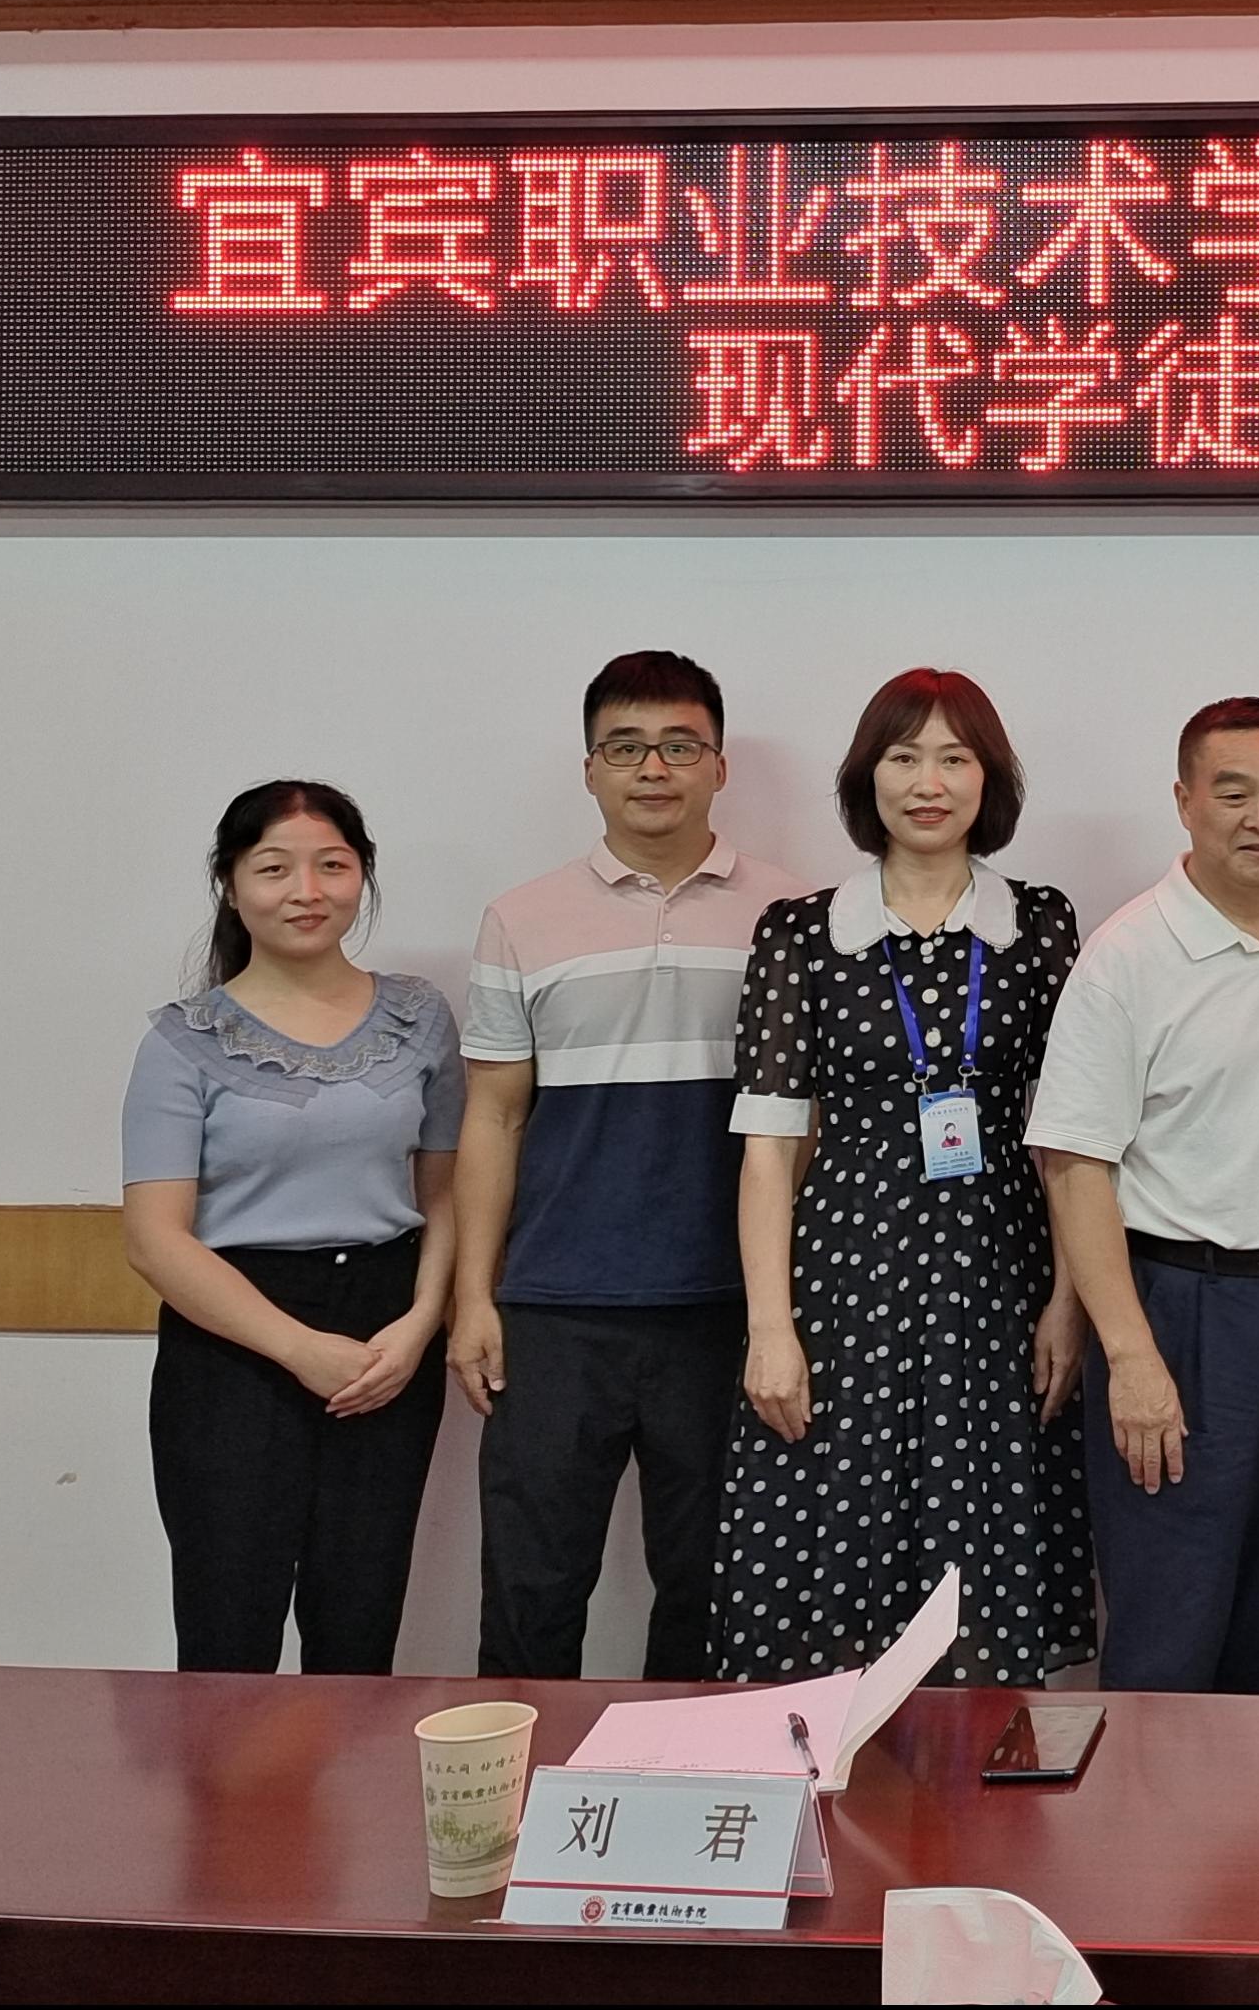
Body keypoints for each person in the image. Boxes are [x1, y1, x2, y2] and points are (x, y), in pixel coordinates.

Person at [719, 669, 1091, 1685]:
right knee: (838, 1541)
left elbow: (1070, 1134)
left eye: (954, 758)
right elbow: (769, 1146)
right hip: (844, 1281)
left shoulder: (1039, 924)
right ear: (866, 776)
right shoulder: (800, 932)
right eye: (903, 756)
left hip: (999, 1279)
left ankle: (977, 1780)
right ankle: (840, 1772)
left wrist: (1067, 1301)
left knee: (984, 1541)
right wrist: (769, 1326)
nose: (929, 782)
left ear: (989, 779)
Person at [448, 652, 803, 1682]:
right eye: (626, 747)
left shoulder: (793, 915)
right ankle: (516, 1784)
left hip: (727, 1308)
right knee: (531, 1588)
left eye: (680, 745)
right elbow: (494, 1116)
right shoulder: (521, 917)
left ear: (720, 766)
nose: (654, 768)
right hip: (556, 1307)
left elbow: (807, 1126)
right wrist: (474, 1297)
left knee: (715, 1595)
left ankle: (693, 1783)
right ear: (590, 769)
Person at [1032, 699, 1259, 1694]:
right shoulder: (1128, 955)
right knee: (1169, 1614)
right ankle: (1143, 1804)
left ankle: (1254, 1801)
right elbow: (1075, 1166)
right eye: (1233, 794)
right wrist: (1131, 1356)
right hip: (1180, 1313)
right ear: (1183, 801)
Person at [118, 780, 461, 1674]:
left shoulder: (420, 1019)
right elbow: (155, 1239)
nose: (306, 890)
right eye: (274, 868)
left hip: (388, 1335)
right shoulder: (183, 1040)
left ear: (362, 876)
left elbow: (446, 1194)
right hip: (234, 1342)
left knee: (359, 1626)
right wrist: (300, 1348)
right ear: (231, 885)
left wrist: (422, 1322)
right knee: (228, 1632)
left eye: (331, 865)